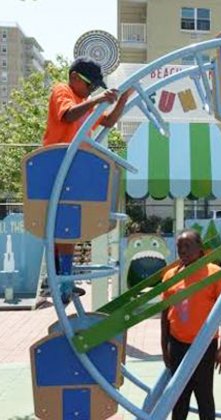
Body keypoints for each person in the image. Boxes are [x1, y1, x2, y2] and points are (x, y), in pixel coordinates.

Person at [42, 56, 132, 304]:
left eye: (94, 86)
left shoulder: (85, 101)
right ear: (74, 78)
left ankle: (65, 278)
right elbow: (67, 116)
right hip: (57, 164)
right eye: (90, 84)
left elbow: (110, 121)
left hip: (74, 167)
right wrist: (98, 99)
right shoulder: (63, 91)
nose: (92, 89)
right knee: (61, 223)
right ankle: (60, 278)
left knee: (69, 223)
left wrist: (123, 97)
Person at [161, 229, 221, 420]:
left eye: (187, 246)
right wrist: (164, 346)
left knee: (204, 396)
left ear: (200, 249)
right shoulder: (170, 276)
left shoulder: (214, 273)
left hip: (204, 347)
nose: (182, 251)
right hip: (177, 344)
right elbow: (165, 312)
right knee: (179, 397)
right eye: (179, 247)